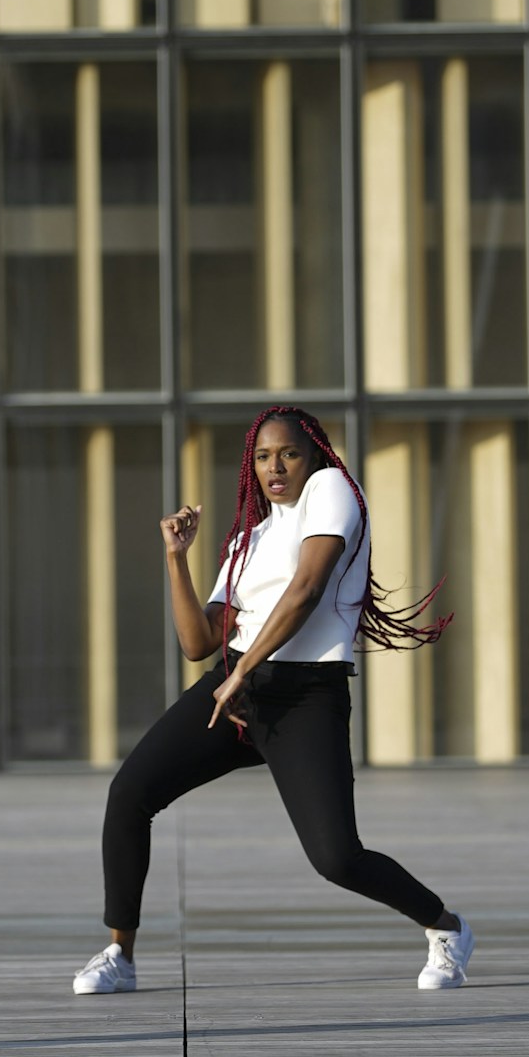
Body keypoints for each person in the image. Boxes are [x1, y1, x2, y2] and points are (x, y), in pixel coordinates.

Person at [73, 406, 472, 995]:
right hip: (235, 689)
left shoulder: (334, 490)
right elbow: (198, 643)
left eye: (287, 452)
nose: (275, 466)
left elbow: (307, 590)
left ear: (313, 453)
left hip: (305, 696)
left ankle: (447, 928)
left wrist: (244, 670)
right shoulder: (248, 539)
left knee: (337, 858)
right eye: (262, 457)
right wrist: (176, 558)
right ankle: (119, 955)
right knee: (129, 794)